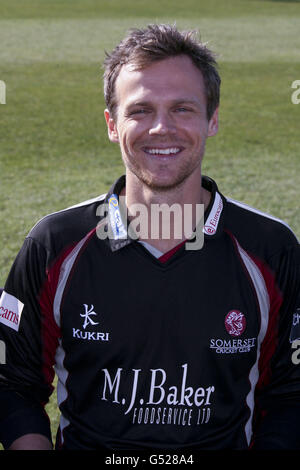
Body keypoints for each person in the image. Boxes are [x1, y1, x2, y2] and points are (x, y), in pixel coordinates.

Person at [0, 24, 300, 451]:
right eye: (140, 110)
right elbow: (13, 382)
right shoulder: (55, 244)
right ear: (111, 123)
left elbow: (290, 395)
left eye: (183, 108)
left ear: (212, 119)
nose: (161, 128)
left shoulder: (271, 248)